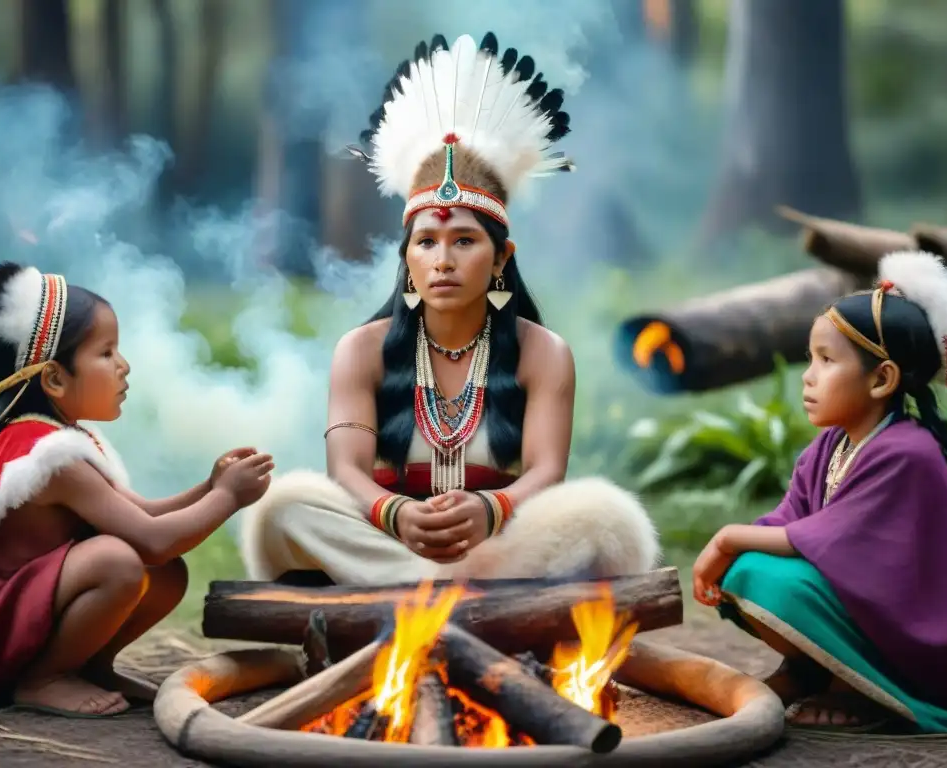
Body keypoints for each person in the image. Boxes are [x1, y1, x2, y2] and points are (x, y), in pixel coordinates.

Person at [240, 32, 659, 587]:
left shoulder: (544, 354)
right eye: (426, 243)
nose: (443, 260)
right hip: (389, 540)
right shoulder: (360, 351)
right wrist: (397, 514)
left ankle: (419, 593)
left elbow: (546, 473)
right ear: (407, 256)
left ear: (501, 256)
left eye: (464, 241)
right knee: (284, 505)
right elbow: (345, 470)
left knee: (610, 518)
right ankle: (451, 594)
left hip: (497, 544)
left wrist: (490, 510)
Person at [0, 255, 273, 717]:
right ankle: (43, 679)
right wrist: (228, 498)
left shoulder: (55, 440)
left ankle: (88, 666)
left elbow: (143, 516)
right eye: (106, 352)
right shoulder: (48, 458)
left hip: (4, 626)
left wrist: (209, 486)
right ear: (53, 378)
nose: (123, 366)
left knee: (166, 572)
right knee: (120, 562)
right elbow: (153, 540)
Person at [693, 251, 947, 733]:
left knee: (759, 571)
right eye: (811, 358)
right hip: (867, 616)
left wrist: (729, 537)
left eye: (827, 360)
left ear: (882, 379)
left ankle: (859, 688)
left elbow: (832, 540)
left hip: (919, 645)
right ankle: (811, 669)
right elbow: (790, 520)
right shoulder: (832, 445)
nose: (808, 376)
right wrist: (737, 545)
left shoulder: (907, 452)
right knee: (747, 569)